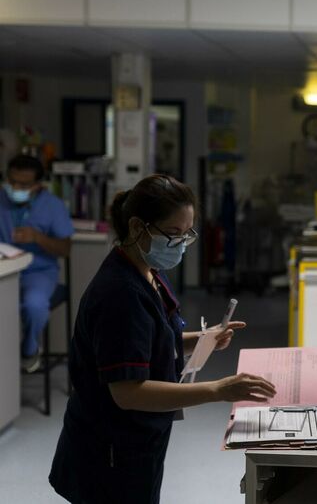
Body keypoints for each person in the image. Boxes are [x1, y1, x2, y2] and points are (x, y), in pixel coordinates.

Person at [49, 174, 276, 504]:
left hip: (137, 441)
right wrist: (219, 390)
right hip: (108, 452)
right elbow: (128, 391)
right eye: (173, 234)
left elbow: (153, 337)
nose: (181, 244)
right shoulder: (120, 295)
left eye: (187, 234)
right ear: (138, 227)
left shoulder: (147, 271)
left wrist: (201, 337)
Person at [0, 154, 73, 372]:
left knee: (33, 306)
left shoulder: (53, 206)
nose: (15, 187)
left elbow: (65, 249)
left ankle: (28, 350)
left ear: (38, 185)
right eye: (11, 181)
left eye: (23, 184)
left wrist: (38, 238)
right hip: (4, 274)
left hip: (38, 272)